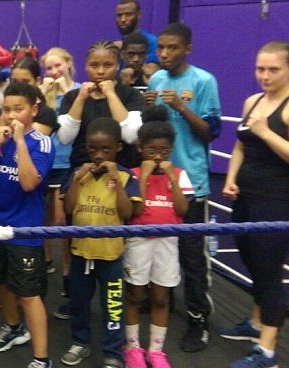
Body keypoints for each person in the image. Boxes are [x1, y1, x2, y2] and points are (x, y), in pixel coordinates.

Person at [145, 22, 222, 353]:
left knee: (192, 256)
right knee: (157, 248)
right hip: (157, 182)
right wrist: (148, 111)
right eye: (160, 47)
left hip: (191, 182)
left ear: (187, 48)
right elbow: (149, 132)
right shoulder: (155, 79)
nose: (164, 53)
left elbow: (211, 132)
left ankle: (198, 319)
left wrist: (180, 106)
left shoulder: (204, 81)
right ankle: (161, 301)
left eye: (172, 47)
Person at [0, 81, 55, 368]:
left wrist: (19, 141)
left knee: (28, 295)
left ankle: (42, 358)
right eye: (6, 110)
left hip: (24, 229)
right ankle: (13, 326)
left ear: (33, 110)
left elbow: (29, 182)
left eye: (18, 110)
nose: (11, 116)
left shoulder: (41, 142)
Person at [220, 41, 289, 368]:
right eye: (260, 68)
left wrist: (265, 132)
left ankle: (267, 351)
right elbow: (239, 147)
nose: (264, 75)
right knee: (251, 261)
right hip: (245, 197)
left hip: (275, 201)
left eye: (273, 69)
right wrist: (231, 178)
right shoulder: (253, 101)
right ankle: (257, 322)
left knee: (269, 270)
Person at [59, 117, 143, 368]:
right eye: (92, 148)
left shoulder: (126, 177)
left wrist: (116, 180)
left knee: (113, 306)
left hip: (111, 255)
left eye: (105, 149)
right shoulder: (78, 175)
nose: (98, 155)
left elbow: (128, 213)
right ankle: (80, 342)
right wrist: (76, 179)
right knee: (79, 302)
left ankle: (113, 352)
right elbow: (68, 207)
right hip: (81, 252)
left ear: (118, 147)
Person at [123, 106, 193, 368]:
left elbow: (183, 209)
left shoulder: (179, 174)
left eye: (164, 152)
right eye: (152, 151)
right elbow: (135, 210)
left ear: (171, 151)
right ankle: (132, 347)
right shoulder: (132, 174)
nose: (158, 158)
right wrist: (142, 177)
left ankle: (156, 350)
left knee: (162, 297)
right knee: (134, 295)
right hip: (139, 240)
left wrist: (172, 180)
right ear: (140, 148)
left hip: (167, 242)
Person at [56, 40, 145, 171]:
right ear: (86, 66)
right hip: (82, 170)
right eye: (94, 65)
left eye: (108, 65)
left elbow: (131, 136)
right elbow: (64, 138)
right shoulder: (72, 97)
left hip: (122, 172)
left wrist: (110, 94)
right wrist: (81, 98)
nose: (101, 71)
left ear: (117, 66)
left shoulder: (131, 95)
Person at [39, 47, 80, 299]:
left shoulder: (79, 89)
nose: (54, 72)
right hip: (45, 162)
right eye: (49, 68)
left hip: (68, 162)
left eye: (58, 66)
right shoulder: (45, 92)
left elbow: (82, 117)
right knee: (43, 218)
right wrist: (42, 91)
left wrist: (66, 90)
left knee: (62, 220)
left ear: (68, 63)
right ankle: (45, 263)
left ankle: (68, 272)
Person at [114, 0, 158, 65]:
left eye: (128, 14)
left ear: (139, 15)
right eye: (119, 15)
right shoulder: (117, 41)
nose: (123, 19)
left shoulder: (152, 42)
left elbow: (151, 70)